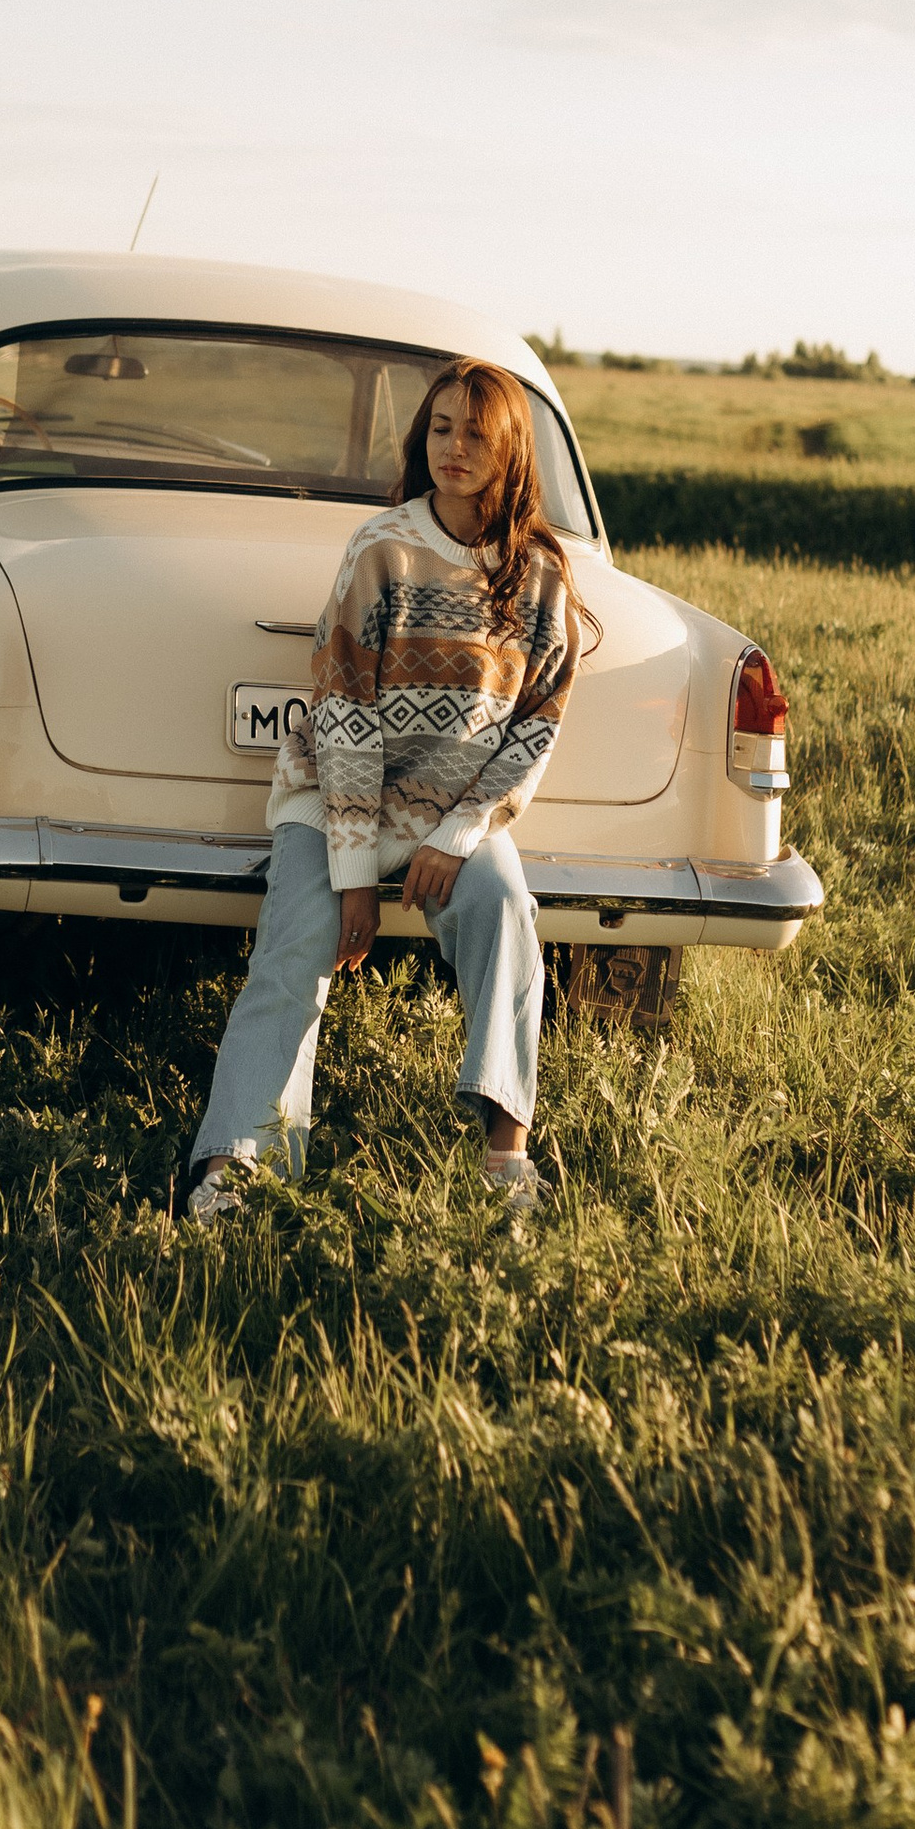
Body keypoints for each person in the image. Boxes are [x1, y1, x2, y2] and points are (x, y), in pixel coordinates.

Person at [183, 358, 594, 1224]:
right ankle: (237, 1170)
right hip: (334, 799)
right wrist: (355, 870)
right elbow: (344, 710)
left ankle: (506, 1158)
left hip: (456, 816)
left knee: (508, 913)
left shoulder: (540, 575)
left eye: (476, 432)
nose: (454, 447)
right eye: (441, 428)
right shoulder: (384, 548)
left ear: (512, 446)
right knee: (294, 953)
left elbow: (537, 725)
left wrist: (457, 836)